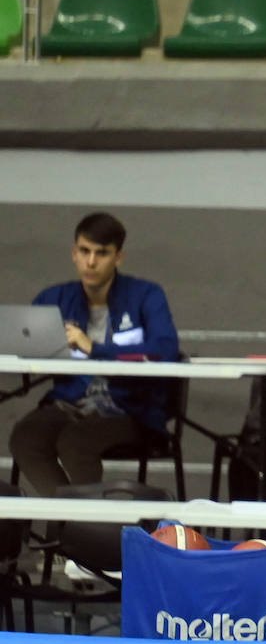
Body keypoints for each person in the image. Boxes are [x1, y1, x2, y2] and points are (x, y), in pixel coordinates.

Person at [9, 211, 179, 497]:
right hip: (69, 403)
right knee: (25, 437)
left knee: (75, 441)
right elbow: (25, 345)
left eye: (101, 253)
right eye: (84, 251)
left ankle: (85, 532)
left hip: (130, 409)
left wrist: (95, 348)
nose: (91, 262)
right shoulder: (53, 299)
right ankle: (70, 526)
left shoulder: (147, 295)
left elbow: (165, 349)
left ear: (118, 257)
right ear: (74, 253)